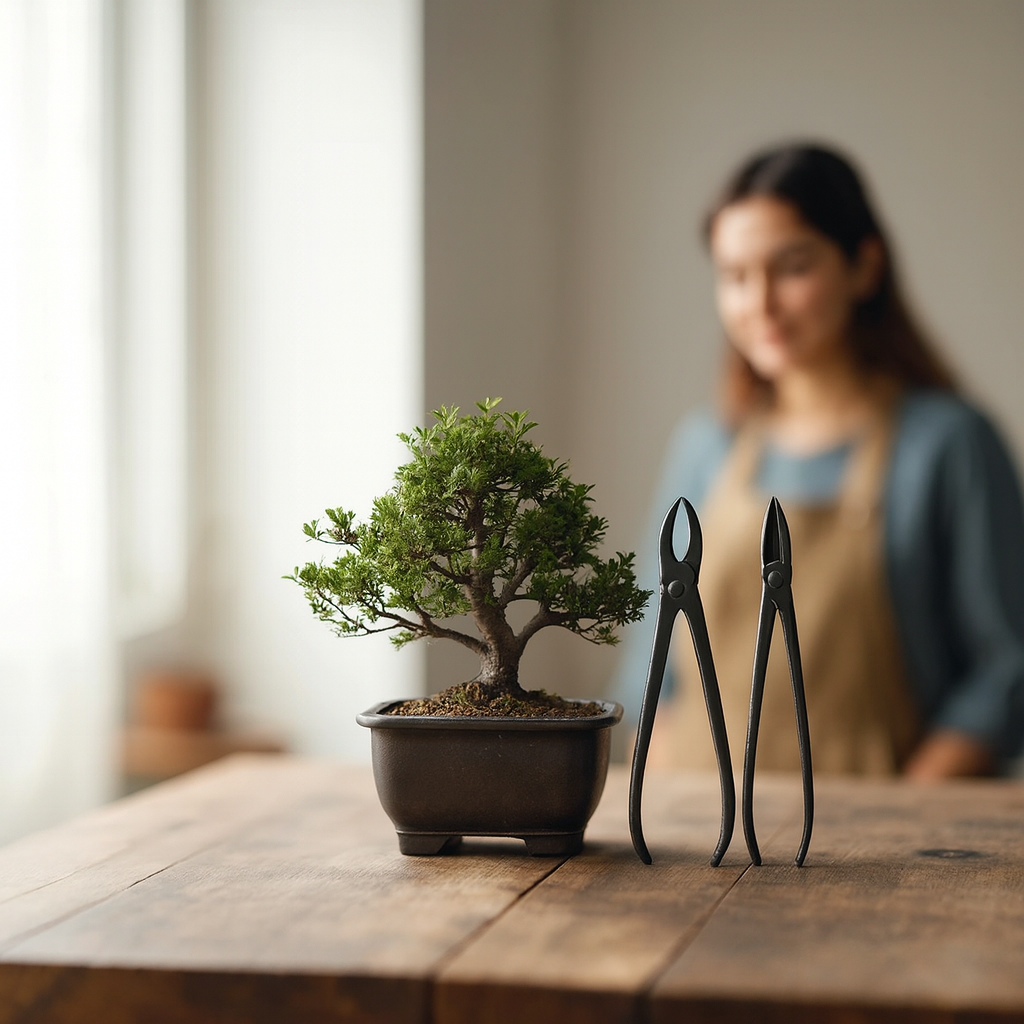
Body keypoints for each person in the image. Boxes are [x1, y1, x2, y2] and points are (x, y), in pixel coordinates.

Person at [616, 142, 1024, 779]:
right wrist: (669, 811)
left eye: (792, 267)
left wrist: (903, 817)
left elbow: (1006, 673)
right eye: (735, 276)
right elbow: (653, 667)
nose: (760, 303)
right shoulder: (705, 445)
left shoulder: (951, 444)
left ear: (864, 266)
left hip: (880, 849)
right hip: (698, 836)